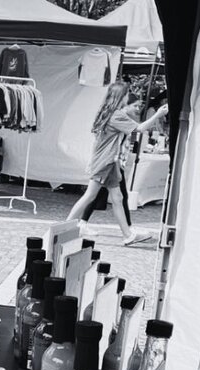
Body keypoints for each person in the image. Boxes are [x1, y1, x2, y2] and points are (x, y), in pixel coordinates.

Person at [66, 81, 168, 246]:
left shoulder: (106, 113)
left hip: (108, 161)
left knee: (118, 198)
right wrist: (158, 115)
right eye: (127, 95)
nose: (128, 98)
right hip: (106, 161)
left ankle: (128, 235)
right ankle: (64, 227)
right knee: (91, 196)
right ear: (121, 96)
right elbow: (140, 129)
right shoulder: (117, 115)